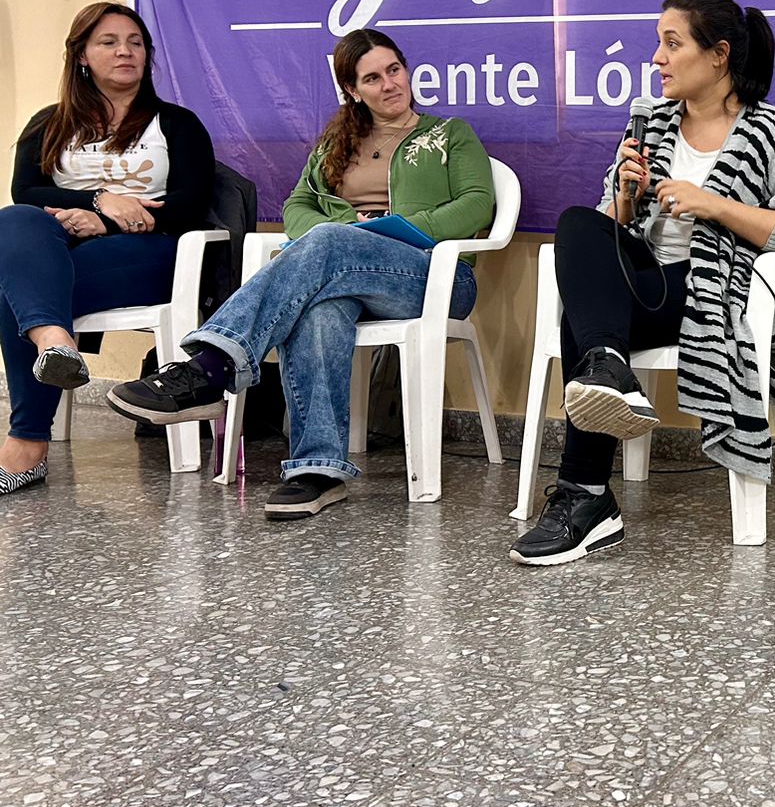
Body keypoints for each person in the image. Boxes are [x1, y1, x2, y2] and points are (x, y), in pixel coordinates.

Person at [108, 28, 495, 519]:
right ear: (353, 91)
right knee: (320, 307)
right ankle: (318, 469)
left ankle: (211, 367)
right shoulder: (339, 142)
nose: (389, 84)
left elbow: (476, 205)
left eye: (394, 70)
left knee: (330, 243)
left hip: (434, 278)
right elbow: (297, 207)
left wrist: (380, 233)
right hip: (342, 275)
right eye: (372, 78)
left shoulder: (450, 134)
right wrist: (338, 234)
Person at [510, 0, 775, 566]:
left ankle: (584, 496)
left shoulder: (769, 131)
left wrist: (716, 206)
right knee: (579, 225)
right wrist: (626, 199)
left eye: (671, 42)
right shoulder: (651, 124)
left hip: (716, 290)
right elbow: (611, 235)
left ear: (718, 55)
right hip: (646, 283)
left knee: (581, 326)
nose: (657, 57)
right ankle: (608, 370)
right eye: (659, 43)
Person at [0, 2, 215, 495]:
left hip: (148, 251)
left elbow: (191, 201)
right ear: (81, 57)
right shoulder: (48, 124)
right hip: (60, 244)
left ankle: (28, 441)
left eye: (135, 43)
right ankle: (55, 341)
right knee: (14, 221)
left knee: (12, 293)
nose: (125, 51)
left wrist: (106, 221)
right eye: (109, 42)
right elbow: (27, 193)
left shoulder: (176, 124)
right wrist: (97, 199)